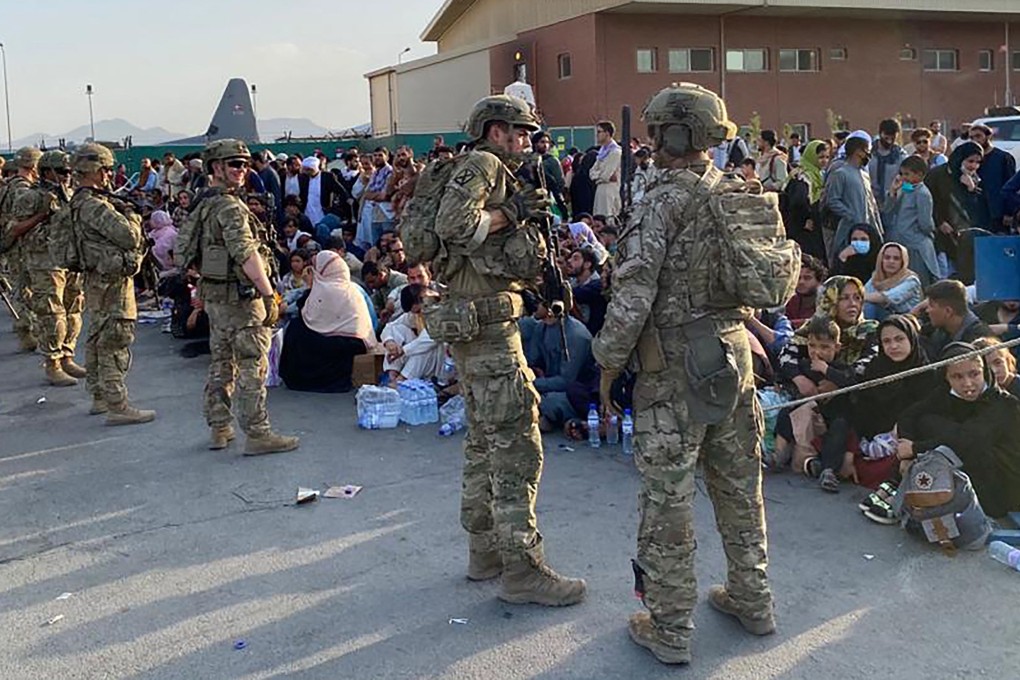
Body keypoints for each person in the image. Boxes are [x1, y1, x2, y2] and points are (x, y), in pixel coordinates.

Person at [592, 84, 777, 666]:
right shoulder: (734, 192)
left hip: (671, 368)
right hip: (732, 354)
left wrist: (606, 363)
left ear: (669, 135)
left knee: (667, 499)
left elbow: (634, 292)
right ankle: (754, 599)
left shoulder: (660, 199)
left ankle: (670, 629)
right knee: (739, 487)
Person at [432, 94, 587, 607]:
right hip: (490, 331)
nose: (527, 140)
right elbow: (454, 226)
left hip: (476, 324)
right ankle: (522, 568)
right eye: (520, 131)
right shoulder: (482, 165)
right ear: (496, 131)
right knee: (517, 446)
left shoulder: (478, 169)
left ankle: (484, 551)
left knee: (482, 441)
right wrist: (509, 213)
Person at [181, 139, 298, 455]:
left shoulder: (203, 203)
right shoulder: (230, 207)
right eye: (235, 164)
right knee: (251, 366)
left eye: (245, 164)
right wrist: (269, 292)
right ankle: (258, 433)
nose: (242, 170)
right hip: (242, 301)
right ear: (216, 167)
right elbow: (246, 253)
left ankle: (220, 426)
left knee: (221, 364)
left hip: (217, 298)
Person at [69, 144, 155, 425]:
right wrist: (132, 214)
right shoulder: (94, 205)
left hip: (99, 279)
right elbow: (128, 236)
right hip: (112, 283)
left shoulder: (82, 200)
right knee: (115, 340)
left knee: (98, 338)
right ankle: (117, 404)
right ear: (91, 170)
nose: (108, 174)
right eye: (104, 169)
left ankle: (99, 396)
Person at [897, 342, 1020, 519]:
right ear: (946, 378)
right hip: (971, 467)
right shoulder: (945, 395)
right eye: (957, 377)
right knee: (926, 421)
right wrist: (905, 452)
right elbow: (909, 415)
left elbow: (969, 438)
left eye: (974, 374)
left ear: (984, 372)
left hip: (1002, 483)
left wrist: (915, 448)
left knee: (943, 431)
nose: (967, 383)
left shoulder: (1004, 404)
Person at [9, 150, 86, 386]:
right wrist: (42, 215)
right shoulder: (30, 197)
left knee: (74, 308)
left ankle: (67, 355)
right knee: (51, 313)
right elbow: (15, 229)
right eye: (62, 172)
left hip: (70, 259)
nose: (67, 176)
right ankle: (52, 363)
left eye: (69, 172)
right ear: (46, 172)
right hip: (44, 260)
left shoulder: (71, 194)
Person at [280, 251, 376, 392]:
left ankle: (298, 377)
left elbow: (306, 315)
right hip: (355, 343)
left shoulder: (325, 289)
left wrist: (310, 285)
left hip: (342, 344)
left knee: (296, 328)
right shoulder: (352, 288)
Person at [0, 146, 42, 351]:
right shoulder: (22, 190)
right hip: (22, 244)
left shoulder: (8, 186)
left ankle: (27, 331)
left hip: (11, 243)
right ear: (34, 166)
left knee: (20, 287)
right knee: (26, 290)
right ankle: (28, 331)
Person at [925, 141, 988, 276]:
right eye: (970, 161)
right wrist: (939, 221)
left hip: (965, 234)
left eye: (978, 162)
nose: (973, 166)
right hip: (941, 232)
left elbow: (978, 209)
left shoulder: (976, 179)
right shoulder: (938, 175)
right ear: (960, 158)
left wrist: (971, 189)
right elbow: (928, 200)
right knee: (945, 271)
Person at [825, 135, 883, 263]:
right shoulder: (840, 173)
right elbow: (832, 200)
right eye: (866, 150)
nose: (869, 154)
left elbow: (871, 204)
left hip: (868, 231)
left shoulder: (864, 174)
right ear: (858, 151)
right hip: (849, 231)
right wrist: (851, 215)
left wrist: (878, 228)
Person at [884, 155, 939, 287]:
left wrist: (930, 233)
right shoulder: (904, 189)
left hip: (915, 245)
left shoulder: (922, 194)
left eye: (907, 174)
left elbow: (925, 223)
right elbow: (888, 210)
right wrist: (892, 192)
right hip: (900, 241)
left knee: (917, 283)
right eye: (902, 174)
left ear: (919, 175)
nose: (903, 177)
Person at [381, 284, 444, 383]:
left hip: (440, 358)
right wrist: (390, 342)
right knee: (397, 329)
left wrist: (403, 350)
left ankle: (401, 380)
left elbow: (431, 337)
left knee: (421, 348)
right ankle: (392, 373)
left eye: (419, 310)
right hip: (425, 359)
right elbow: (390, 326)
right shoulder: (415, 314)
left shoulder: (441, 307)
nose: (419, 314)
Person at [781, 140, 829, 261]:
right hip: (801, 227)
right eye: (820, 157)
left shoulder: (817, 174)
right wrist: (806, 219)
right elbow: (798, 202)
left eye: (827, 157)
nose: (824, 160)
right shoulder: (803, 176)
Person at [920, 279, 992, 358]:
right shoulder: (933, 332)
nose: (927, 310)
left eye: (931, 306)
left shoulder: (979, 339)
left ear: (948, 311)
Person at [969, 123, 1017, 233]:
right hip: (978, 214)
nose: (975, 140)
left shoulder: (1003, 158)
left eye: (978, 136)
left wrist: (1009, 213)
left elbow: (1011, 187)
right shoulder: (970, 160)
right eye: (971, 137)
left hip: (998, 214)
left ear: (988, 136)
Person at [863, 242, 923, 320]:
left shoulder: (911, 280)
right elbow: (864, 292)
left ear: (903, 262)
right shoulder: (876, 278)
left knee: (869, 304)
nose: (891, 261)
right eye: (887, 258)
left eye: (896, 258)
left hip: (905, 321)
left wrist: (861, 296)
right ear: (881, 260)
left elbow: (889, 298)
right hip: (882, 317)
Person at [589, 121, 622, 220]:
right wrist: (600, 176)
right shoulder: (602, 151)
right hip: (600, 190)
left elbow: (606, 175)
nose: (597, 135)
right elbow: (591, 172)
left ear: (607, 133)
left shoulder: (615, 152)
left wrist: (599, 176)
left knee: (607, 219)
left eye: (599, 132)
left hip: (609, 192)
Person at [785, 255, 826, 326]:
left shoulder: (826, 302)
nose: (801, 282)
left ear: (819, 281)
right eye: (798, 278)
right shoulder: (791, 301)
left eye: (807, 278)